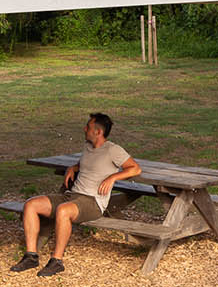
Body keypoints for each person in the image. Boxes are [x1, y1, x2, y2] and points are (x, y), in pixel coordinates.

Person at [12, 111, 141, 276]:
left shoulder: (113, 150)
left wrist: (113, 178)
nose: (84, 128)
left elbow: (135, 168)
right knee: (31, 205)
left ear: (98, 132)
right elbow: (86, 164)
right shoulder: (88, 147)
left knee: (63, 211)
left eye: (88, 126)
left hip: (92, 202)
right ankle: (31, 256)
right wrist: (74, 167)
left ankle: (56, 260)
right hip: (72, 196)